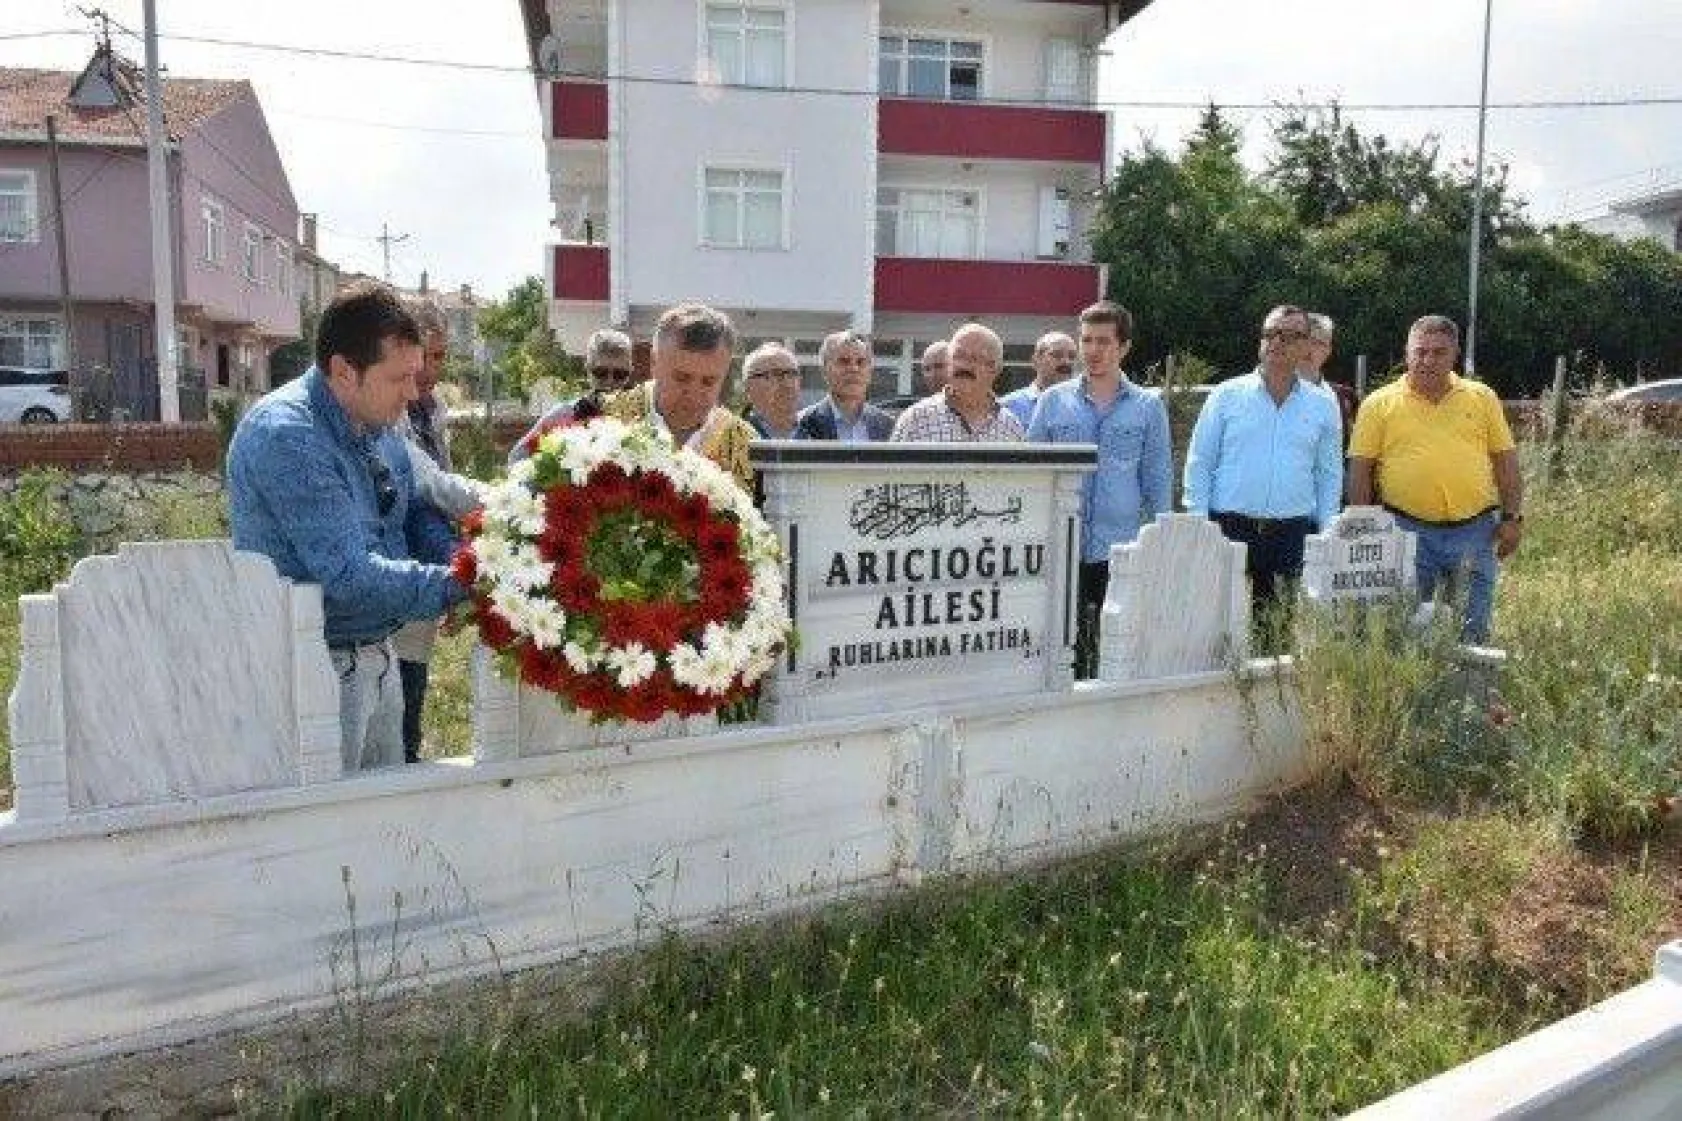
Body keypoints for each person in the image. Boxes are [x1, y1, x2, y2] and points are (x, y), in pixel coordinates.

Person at [227, 282, 467, 772]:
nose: (413, 393)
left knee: (381, 815)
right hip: (313, 671)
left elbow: (412, 514)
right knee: (325, 821)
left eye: (415, 375)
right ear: (343, 371)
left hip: (376, 656)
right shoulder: (289, 436)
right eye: (399, 378)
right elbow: (349, 576)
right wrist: (463, 584)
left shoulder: (378, 422)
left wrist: (462, 561)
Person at [1348, 314, 1523, 644]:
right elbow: (1360, 471)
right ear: (1407, 353)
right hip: (1405, 531)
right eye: (1420, 351)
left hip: (1475, 532)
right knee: (1405, 634)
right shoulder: (1378, 404)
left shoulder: (1482, 398)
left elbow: (1505, 462)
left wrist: (1512, 518)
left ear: (1455, 354)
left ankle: (1467, 679)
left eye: (1439, 352)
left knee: (1472, 630)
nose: (1428, 360)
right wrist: (1364, 527)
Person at [1027, 301, 1172, 675]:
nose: (1093, 350)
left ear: (1124, 347)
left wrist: (1156, 549)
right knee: (1061, 651)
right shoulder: (1052, 402)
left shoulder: (1148, 407)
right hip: (1062, 549)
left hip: (1120, 550)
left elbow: (1157, 482)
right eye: (1087, 340)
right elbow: (1034, 477)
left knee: (1115, 652)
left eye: (1104, 342)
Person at [1182, 305, 1343, 636]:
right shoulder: (1226, 395)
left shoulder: (1323, 405)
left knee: (1281, 637)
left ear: (1306, 345)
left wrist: (1328, 530)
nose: (1276, 342)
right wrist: (1199, 524)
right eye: (1270, 333)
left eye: (1288, 336)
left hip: (1293, 535)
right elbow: (1200, 462)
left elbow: (1328, 474)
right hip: (1229, 530)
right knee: (1222, 633)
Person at [392, 299, 483, 764]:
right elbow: (429, 485)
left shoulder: (433, 408)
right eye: (423, 356)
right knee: (401, 691)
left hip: (428, 558)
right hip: (399, 564)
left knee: (414, 682)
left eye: (440, 356)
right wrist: (504, 500)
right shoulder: (389, 411)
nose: (430, 369)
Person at [599, 302, 757, 491]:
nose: (693, 394)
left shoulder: (747, 445)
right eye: (682, 378)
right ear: (654, 363)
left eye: (709, 382)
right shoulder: (602, 419)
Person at [510, 328, 635, 462]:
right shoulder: (561, 415)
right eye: (601, 373)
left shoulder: (641, 420)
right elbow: (516, 458)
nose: (610, 382)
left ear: (630, 372)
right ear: (588, 369)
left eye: (620, 374)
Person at [890, 323, 1024, 442]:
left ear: (994, 369)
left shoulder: (1011, 427)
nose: (963, 365)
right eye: (958, 356)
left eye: (974, 358)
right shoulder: (916, 420)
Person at [794, 330, 894, 441]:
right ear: (825, 371)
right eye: (844, 361)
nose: (854, 369)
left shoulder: (888, 425)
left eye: (860, 362)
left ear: (870, 372)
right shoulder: (802, 424)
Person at [1302, 312, 1359, 447]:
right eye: (1304, 340)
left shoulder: (1345, 398)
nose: (1309, 349)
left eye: (1317, 343)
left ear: (1328, 350)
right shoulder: (1271, 394)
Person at [1000, 330, 1076, 429]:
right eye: (1057, 355)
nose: (1066, 362)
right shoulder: (1008, 406)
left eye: (1071, 357)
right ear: (1036, 361)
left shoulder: (1081, 406)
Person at [741, 342, 803, 439]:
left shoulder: (818, 432)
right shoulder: (730, 438)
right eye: (776, 374)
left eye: (792, 374)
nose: (788, 384)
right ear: (748, 387)